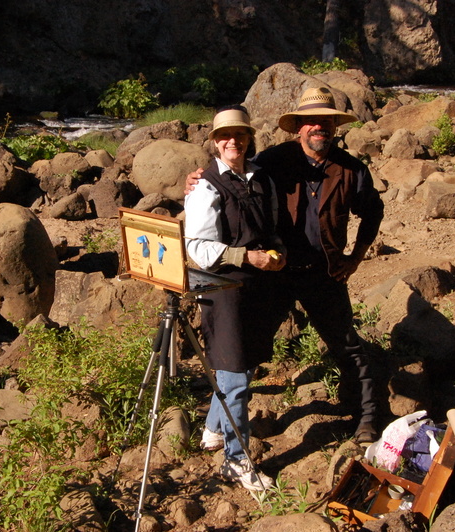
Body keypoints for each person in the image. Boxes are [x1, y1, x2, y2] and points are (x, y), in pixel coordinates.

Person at [187, 87, 384, 445]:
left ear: (335, 127)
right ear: (298, 128)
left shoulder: (352, 170)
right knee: (244, 350)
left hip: (323, 273)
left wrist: (355, 257)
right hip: (273, 274)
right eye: (310, 122)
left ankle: (367, 415)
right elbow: (234, 169)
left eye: (325, 122)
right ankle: (217, 427)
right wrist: (199, 178)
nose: (317, 128)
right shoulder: (275, 160)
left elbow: (373, 211)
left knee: (346, 344)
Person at [184, 105, 285, 492]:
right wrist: (247, 256)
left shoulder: (260, 178)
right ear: (214, 142)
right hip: (220, 287)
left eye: (240, 135)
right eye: (225, 136)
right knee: (234, 370)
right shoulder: (206, 186)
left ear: (249, 139)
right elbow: (198, 246)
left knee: (240, 364)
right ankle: (236, 459)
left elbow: (270, 225)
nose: (233, 141)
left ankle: (212, 428)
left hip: (255, 285)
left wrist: (276, 250)